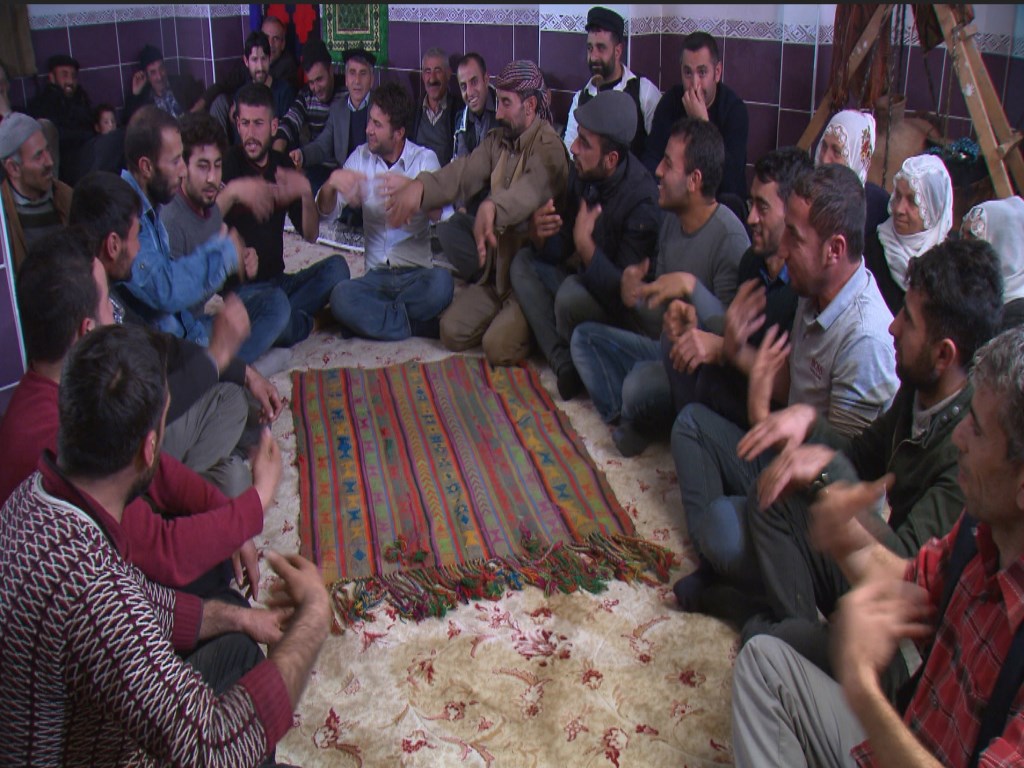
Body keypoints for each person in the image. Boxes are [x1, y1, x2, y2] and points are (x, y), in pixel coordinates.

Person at [0, 321, 331, 765]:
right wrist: (314, 618)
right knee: (236, 723)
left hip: (76, 731)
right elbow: (212, 747)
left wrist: (239, 618)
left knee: (237, 649)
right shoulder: (94, 591)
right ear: (149, 448)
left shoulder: (36, 496)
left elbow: (142, 600)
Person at [732, 324, 1024, 768]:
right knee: (763, 661)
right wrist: (844, 535)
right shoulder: (982, 528)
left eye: (978, 431)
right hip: (903, 742)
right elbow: (908, 581)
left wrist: (862, 685)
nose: (960, 438)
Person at [738, 238, 1003, 693]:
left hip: (901, 626)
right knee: (771, 494)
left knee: (755, 641)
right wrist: (807, 423)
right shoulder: (920, 389)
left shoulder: (969, 453)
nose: (893, 326)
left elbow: (905, 571)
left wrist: (825, 473)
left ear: (944, 354)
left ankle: (791, 644)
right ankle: (797, 636)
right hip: (869, 568)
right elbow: (861, 457)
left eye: (909, 320)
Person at [669, 163, 898, 611]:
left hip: (822, 507)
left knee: (722, 525)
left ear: (834, 249)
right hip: (784, 462)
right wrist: (735, 350)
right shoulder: (814, 293)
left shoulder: (866, 340)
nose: (783, 247)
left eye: (795, 236)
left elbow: (843, 475)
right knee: (692, 425)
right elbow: (793, 385)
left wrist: (760, 416)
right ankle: (721, 568)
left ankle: (762, 595)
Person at [0, 229, 273, 600]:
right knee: (220, 582)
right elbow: (163, 551)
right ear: (86, 332)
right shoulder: (59, 438)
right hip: (109, 592)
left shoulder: (70, 395)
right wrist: (257, 501)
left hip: (134, 522)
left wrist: (228, 514)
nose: (117, 317)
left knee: (228, 460)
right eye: (109, 308)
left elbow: (158, 470)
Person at [70, 169, 285, 499]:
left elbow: (167, 346)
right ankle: (181, 494)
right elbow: (141, 411)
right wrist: (217, 357)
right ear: (113, 245)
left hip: (152, 425)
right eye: (137, 237)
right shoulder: (92, 301)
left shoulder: (108, 284)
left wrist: (244, 371)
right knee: (231, 407)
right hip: (137, 449)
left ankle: (205, 478)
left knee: (242, 442)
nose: (141, 251)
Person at [570, 117, 749, 454]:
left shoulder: (729, 238)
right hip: (663, 347)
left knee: (637, 385)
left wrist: (691, 297)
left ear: (694, 180)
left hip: (698, 369)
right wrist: (634, 295)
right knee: (584, 340)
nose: (658, 172)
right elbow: (657, 319)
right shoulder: (670, 220)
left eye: (668, 164)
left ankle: (642, 417)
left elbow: (730, 337)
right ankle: (631, 418)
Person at [383, 59, 570, 366]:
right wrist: (419, 189)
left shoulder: (549, 148)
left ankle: (535, 321)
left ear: (530, 106)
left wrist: (492, 208)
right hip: (496, 273)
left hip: (530, 278)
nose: (498, 113)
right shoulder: (498, 140)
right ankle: (505, 315)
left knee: (497, 347)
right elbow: (463, 172)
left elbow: (530, 191)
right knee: (451, 331)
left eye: (506, 103)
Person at [510, 89, 661, 400]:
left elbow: (625, 298)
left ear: (611, 159)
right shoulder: (582, 172)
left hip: (623, 313)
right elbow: (561, 247)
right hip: (584, 281)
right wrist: (540, 235)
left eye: (584, 143)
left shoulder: (642, 201)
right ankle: (563, 362)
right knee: (523, 262)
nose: (573, 148)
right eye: (577, 137)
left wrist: (586, 248)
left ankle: (587, 358)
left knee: (569, 297)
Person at [660, 147, 810, 429]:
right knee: (678, 344)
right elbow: (736, 336)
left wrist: (723, 349)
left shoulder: (803, 285)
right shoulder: (752, 261)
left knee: (684, 414)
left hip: (771, 416)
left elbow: (787, 388)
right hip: (735, 388)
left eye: (762, 208)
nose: (751, 218)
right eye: (751, 204)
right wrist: (698, 324)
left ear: (792, 213)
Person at [316, 82, 454, 340]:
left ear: (398, 133)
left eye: (377, 125)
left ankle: (372, 321)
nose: (368, 129)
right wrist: (330, 185)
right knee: (341, 296)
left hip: (416, 276)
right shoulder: (360, 158)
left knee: (443, 284)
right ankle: (414, 326)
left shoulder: (424, 160)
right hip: (375, 278)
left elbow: (444, 217)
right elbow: (325, 214)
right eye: (370, 120)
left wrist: (415, 190)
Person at [222, 83, 351, 357]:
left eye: (258, 124)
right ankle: (307, 322)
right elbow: (207, 224)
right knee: (278, 310)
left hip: (279, 282)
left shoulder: (282, 165)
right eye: (244, 123)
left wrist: (304, 192)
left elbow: (311, 235)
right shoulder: (227, 165)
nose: (250, 133)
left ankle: (279, 321)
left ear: (273, 126)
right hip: (244, 292)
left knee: (338, 268)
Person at [162, 112, 293, 363]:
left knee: (276, 303)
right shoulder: (170, 218)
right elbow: (172, 308)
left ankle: (225, 365)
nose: (213, 178)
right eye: (203, 166)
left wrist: (243, 258)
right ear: (183, 167)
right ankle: (228, 369)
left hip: (199, 322)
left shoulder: (210, 205)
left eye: (217, 165)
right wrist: (222, 262)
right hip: (178, 333)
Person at [642, 32, 748, 201]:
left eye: (702, 72)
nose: (694, 83)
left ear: (717, 72)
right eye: (688, 73)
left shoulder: (734, 110)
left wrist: (703, 125)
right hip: (677, 196)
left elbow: (731, 180)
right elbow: (651, 158)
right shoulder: (671, 101)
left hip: (717, 200)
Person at [561, 6, 660, 159]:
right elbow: (569, 153)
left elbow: (657, 150)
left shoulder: (643, 92)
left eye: (601, 48)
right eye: (590, 48)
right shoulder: (580, 99)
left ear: (617, 51)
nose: (593, 57)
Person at [292, 47, 376, 227]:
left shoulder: (380, 108)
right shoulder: (338, 109)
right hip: (346, 183)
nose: (357, 81)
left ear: (372, 79)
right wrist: (302, 155)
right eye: (352, 73)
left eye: (363, 74)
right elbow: (323, 145)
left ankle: (355, 215)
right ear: (346, 79)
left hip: (372, 182)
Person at [866, 153, 954, 316]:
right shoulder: (872, 249)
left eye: (913, 201)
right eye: (898, 196)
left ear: (933, 210)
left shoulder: (949, 265)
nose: (899, 209)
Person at [26, 53, 124, 185]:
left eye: (73, 76)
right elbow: (56, 135)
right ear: (52, 78)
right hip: (69, 165)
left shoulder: (81, 99)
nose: (70, 81)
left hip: (89, 154)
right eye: (64, 75)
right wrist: (89, 134)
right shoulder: (43, 103)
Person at [0, 112, 72, 270]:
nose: (50, 162)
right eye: (38, 156)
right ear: (13, 168)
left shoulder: (67, 197)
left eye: (48, 150)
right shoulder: (3, 218)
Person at [271, 36, 343, 194]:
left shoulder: (346, 93)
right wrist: (275, 159)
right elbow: (289, 123)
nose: (316, 88)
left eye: (319, 79)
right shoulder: (306, 95)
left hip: (343, 168)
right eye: (311, 82)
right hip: (315, 165)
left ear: (331, 70)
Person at [814, 109, 890, 242]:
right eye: (824, 147)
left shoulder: (876, 207)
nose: (825, 159)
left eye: (836, 152)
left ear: (857, 158)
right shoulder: (805, 196)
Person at [961, 195, 1024, 331]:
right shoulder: (972, 297)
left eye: (972, 237)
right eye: (962, 235)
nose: (961, 248)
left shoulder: (1017, 322)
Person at [123, 44, 205, 122]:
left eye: (161, 68)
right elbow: (129, 123)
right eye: (153, 72)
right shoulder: (144, 99)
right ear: (146, 76)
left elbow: (203, 103)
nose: (159, 77)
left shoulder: (183, 83)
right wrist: (135, 94)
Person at [412, 47, 460, 167]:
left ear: (448, 74)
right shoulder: (413, 110)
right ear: (423, 76)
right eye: (427, 71)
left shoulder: (458, 111)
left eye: (438, 71)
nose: (432, 79)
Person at [453, 52, 498, 164]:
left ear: (486, 80)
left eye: (474, 82)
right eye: (464, 86)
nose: (469, 92)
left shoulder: (504, 111)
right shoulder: (461, 120)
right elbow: (461, 166)